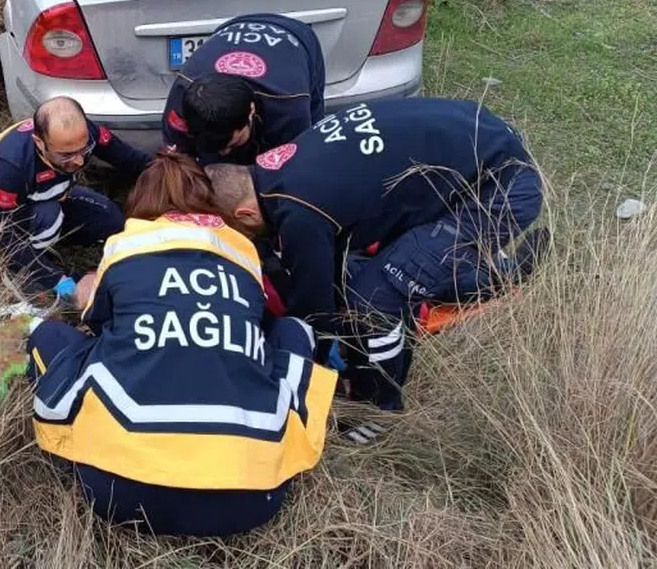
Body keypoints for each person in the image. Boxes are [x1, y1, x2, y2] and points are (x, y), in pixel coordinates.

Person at [27, 152, 335, 536]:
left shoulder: (125, 245)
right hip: (255, 498)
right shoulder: (243, 251)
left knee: (48, 334)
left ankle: (78, 448)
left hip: (117, 491)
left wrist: (93, 287)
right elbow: (262, 322)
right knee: (293, 331)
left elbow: (96, 319)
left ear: (141, 202)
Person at [209, 97, 544, 410]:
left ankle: (379, 408)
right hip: (476, 148)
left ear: (246, 215)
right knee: (386, 271)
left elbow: (315, 313)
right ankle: (501, 274)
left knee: (374, 298)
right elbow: (328, 279)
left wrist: (323, 366)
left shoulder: (296, 213)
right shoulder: (277, 171)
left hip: (501, 188)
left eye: (242, 234)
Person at [0, 96, 152, 298]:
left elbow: (131, 159)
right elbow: (11, 236)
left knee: (111, 219)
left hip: (48, 194)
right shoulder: (11, 167)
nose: (78, 161)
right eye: (66, 155)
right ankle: (28, 274)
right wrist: (61, 282)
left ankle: (52, 236)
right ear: (40, 143)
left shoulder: (82, 134)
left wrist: (172, 181)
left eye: (83, 151)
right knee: (47, 217)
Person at [162, 13, 325, 165]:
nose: (224, 153)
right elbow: (177, 161)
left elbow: (291, 171)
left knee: (310, 147)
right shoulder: (182, 95)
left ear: (251, 111)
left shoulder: (289, 106)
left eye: (233, 143)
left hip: (297, 37)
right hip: (231, 28)